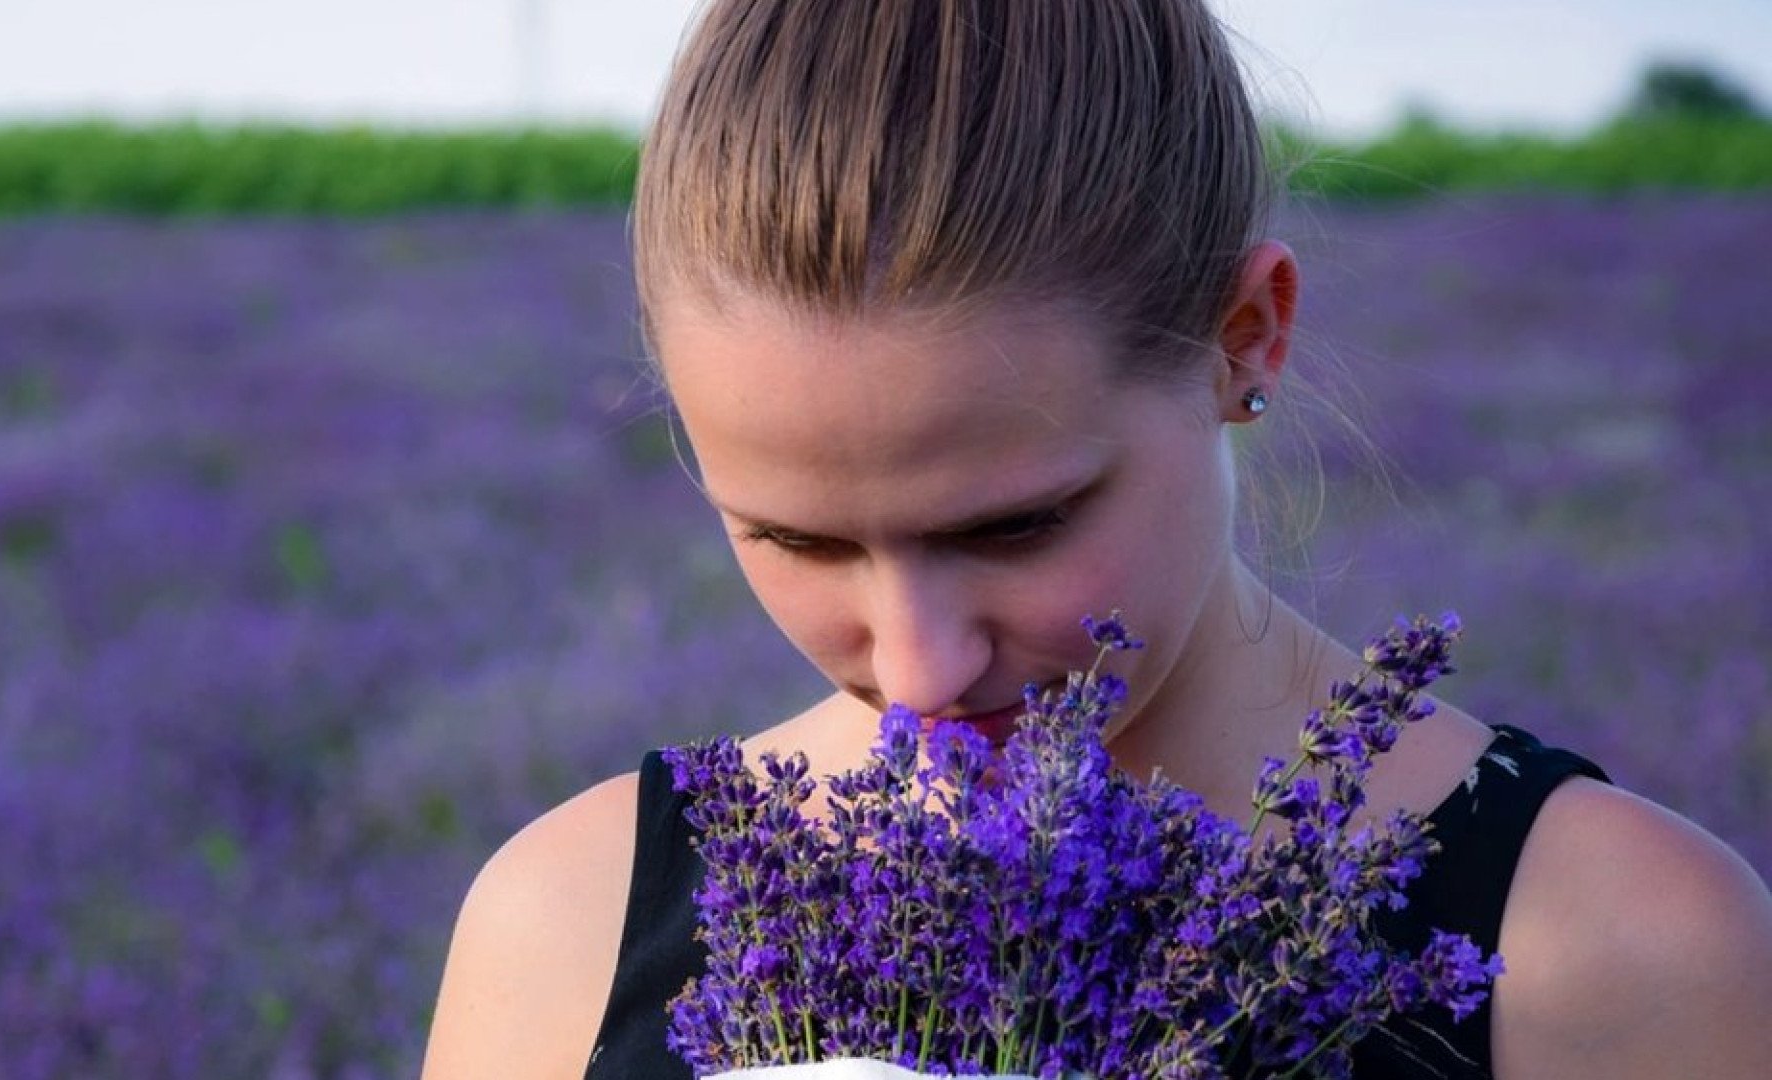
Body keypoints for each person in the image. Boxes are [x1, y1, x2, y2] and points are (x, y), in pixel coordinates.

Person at [421, 2, 1772, 1077]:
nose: (921, 668)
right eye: (800, 540)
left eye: (1015, 525)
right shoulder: (569, 928)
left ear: (1245, 339)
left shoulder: (1618, 951)